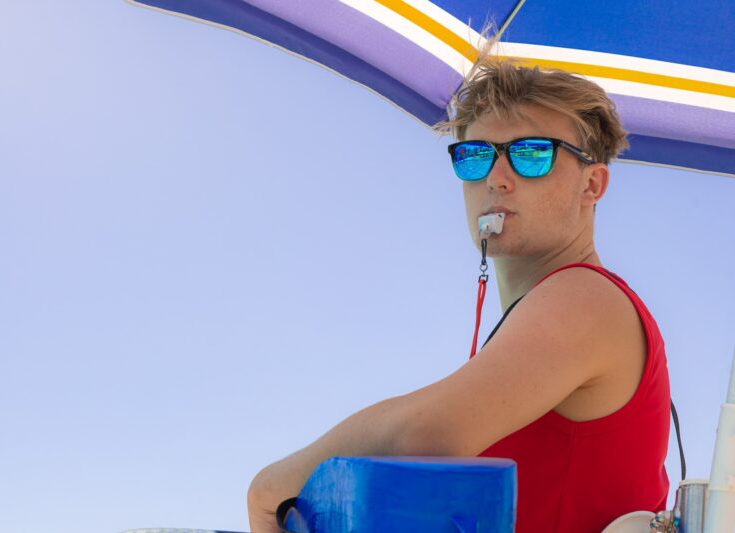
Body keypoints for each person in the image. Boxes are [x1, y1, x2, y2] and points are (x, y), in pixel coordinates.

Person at [247, 53, 671, 532]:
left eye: (532, 154)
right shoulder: (546, 325)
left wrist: (266, 492)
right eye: (476, 156)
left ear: (592, 184)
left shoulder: (585, 297)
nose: (496, 179)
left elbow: (423, 435)